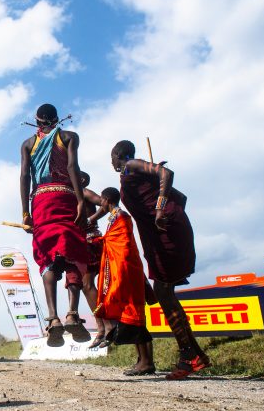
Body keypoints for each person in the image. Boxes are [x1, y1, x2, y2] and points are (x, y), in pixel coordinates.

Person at [110, 140, 210, 379]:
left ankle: (189, 356)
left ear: (117, 155)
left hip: (166, 230)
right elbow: (166, 186)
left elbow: (167, 173)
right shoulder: (131, 174)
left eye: (111, 158)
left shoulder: (131, 164)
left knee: (164, 292)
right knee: (165, 292)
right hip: (158, 236)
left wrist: (159, 207)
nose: (111, 162)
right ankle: (195, 355)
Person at [19, 104, 91, 347]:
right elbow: (72, 168)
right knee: (73, 253)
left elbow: (25, 177)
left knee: (47, 257)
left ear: (37, 121)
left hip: (41, 202)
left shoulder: (28, 144)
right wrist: (80, 201)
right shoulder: (69, 137)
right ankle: (72, 314)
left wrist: (25, 213)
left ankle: (53, 318)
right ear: (58, 119)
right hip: (66, 197)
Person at [89, 187, 155, 375]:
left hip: (127, 270)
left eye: (101, 200)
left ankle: (146, 362)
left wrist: (102, 240)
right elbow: (111, 240)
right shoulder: (114, 217)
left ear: (106, 200)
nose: (100, 204)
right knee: (132, 316)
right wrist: (99, 240)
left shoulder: (121, 217)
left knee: (134, 316)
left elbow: (123, 245)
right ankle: (143, 361)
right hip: (123, 270)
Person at [79, 172, 108, 348]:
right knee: (86, 286)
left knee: (87, 285)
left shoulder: (84, 192)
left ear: (81, 180)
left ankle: (106, 327)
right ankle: (102, 327)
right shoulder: (72, 196)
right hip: (81, 243)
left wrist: (91, 219)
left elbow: (105, 204)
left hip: (91, 241)